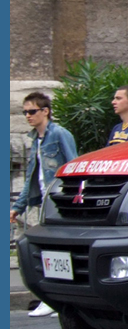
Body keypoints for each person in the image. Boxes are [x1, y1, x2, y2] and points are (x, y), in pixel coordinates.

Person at [10, 92, 78, 316]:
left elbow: (72, 165)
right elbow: (31, 177)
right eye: (25, 112)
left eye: (32, 111)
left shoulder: (59, 134)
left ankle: (60, 300)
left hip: (60, 201)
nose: (28, 116)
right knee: (46, 250)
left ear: (45, 111)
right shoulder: (36, 139)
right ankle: (53, 299)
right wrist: (18, 207)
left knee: (58, 250)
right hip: (44, 201)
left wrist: (73, 200)